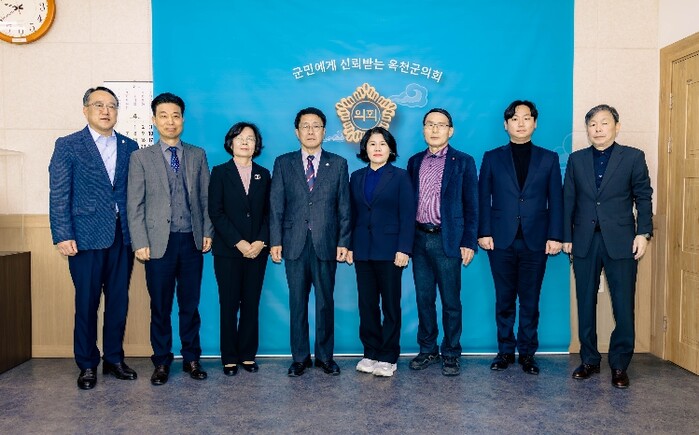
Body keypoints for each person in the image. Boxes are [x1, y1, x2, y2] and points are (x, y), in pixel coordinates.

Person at [49, 86, 139, 390]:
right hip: (84, 238)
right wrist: (62, 234)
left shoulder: (130, 146)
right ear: (85, 109)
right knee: (86, 303)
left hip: (122, 237)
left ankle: (114, 359)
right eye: (99, 105)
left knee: (118, 302)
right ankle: (87, 364)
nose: (106, 111)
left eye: (111, 105)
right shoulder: (68, 145)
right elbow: (59, 192)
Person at [563, 104, 653, 389]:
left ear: (617, 126)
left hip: (622, 241)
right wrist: (566, 237)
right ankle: (589, 359)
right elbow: (568, 200)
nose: (598, 129)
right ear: (587, 129)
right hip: (584, 240)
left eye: (604, 123)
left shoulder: (633, 157)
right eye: (592, 124)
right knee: (585, 301)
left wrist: (643, 233)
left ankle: (619, 364)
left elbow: (644, 197)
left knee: (623, 304)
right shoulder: (577, 160)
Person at [127, 92, 213, 386]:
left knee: (190, 305)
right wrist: (139, 241)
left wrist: (207, 232)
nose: (170, 121)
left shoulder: (197, 155)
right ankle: (162, 361)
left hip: (191, 240)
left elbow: (205, 197)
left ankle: (191, 358)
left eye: (175, 115)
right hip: (156, 244)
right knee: (160, 306)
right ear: (154, 120)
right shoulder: (140, 158)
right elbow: (134, 204)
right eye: (163, 116)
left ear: (183, 120)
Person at [478, 100, 563, 375]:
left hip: (536, 240)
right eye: (515, 118)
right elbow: (483, 197)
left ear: (535, 123)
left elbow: (556, 200)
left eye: (526, 118)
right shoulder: (492, 157)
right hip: (500, 240)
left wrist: (555, 235)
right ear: (506, 125)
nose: (521, 123)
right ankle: (504, 351)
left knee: (530, 300)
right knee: (504, 300)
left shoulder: (549, 158)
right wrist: (483, 231)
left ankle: (527, 353)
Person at [269, 107, 351, 377]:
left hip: (326, 242)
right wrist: (275, 240)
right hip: (294, 243)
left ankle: (325, 357)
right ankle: (300, 358)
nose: (311, 131)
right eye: (306, 126)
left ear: (324, 131)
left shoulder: (338, 163)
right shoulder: (284, 163)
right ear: (297, 132)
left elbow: (344, 206)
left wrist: (343, 241)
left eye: (316, 126)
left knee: (325, 302)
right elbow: (276, 206)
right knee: (297, 303)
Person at [406, 108, 478, 376]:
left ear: (451, 130)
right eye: (430, 124)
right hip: (419, 240)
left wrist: (469, 241)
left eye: (441, 125)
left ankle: (451, 352)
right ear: (423, 129)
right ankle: (428, 349)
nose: (435, 129)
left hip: (448, 240)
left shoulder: (463, 162)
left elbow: (472, 205)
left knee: (450, 301)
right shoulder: (414, 162)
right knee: (424, 299)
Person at [346, 127, 415, 377]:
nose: (377, 148)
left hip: (390, 251)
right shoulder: (356, 177)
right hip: (363, 251)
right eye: (372, 144)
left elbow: (408, 215)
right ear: (365, 148)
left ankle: (388, 356)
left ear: (390, 149)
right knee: (367, 305)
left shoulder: (400, 176)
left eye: (382, 144)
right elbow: (351, 214)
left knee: (390, 305)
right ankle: (371, 352)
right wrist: (350, 246)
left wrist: (404, 248)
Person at [208, 122, 270, 376]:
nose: (245, 142)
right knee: (229, 304)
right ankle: (229, 357)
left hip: (257, 250)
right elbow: (216, 212)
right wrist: (239, 242)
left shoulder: (264, 174)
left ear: (256, 145)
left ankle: (247, 355)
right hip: (229, 251)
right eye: (240, 138)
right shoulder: (219, 172)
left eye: (250, 138)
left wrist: (261, 241)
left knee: (251, 304)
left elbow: (269, 212)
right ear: (231, 142)